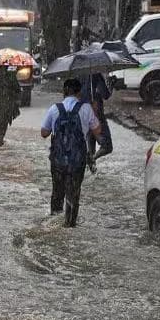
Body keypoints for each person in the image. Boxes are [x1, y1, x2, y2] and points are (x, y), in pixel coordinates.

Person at [40, 77, 101, 227]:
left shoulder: (55, 108)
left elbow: (44, 133)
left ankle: (54, 223)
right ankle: (70, 224)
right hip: (77, 160)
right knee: (73, 193)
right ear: (79, 93)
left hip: (58, 159)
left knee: (57, 192)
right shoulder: (86, 108)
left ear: (64, 92)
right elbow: (98, 131)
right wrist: (94, 112)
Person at [80, 72, 113, 160]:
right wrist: (111, 83)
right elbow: (105, 94)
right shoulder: (96, 75)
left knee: (90, 149)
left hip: (84, 116)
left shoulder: (79, 75)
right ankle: (92, 159)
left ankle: (90, 161)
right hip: (97, 115)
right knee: (107, 147)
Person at [0, 64, 21, 147]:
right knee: (0, 129)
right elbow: (17, 91)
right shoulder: (11, 76)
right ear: (7, 66)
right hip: (5, 107)